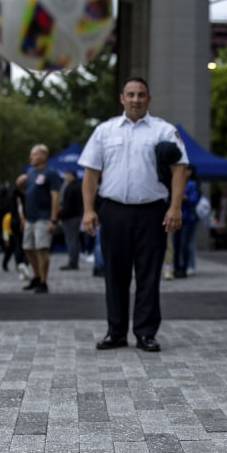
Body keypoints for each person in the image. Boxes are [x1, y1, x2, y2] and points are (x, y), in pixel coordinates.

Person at [80, 75, 188, 352]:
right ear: (122, 98)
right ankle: (116, 332)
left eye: (141, 94)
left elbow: (180, 170)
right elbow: (91, 173)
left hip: (152, 212)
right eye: (131, 94)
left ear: (148, 99)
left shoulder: (164, 131)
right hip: (113, 210)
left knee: (148, 275)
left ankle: (145, 333)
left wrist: (175, 207)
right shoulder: (105, 131)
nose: (136, 99)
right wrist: (89, 210)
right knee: (114, 274)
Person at [21, 144, 61, 294]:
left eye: (34, 154)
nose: (31, 157)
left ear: (43, 156)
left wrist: (53, 219)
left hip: (43, 217)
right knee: (28, 247)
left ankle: (43, 281)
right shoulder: (30, 172)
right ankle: (36, 276)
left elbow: (55, 196)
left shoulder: (51, 173)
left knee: (42, 248)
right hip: (30, 217)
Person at [173, 168, 201, 278]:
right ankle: (176, 267)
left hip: (187, 218)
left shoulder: (191, 184)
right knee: (176, 244)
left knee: (185, 244)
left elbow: (194, 200)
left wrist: (185, 198)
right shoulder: (177, 182)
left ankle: (184, 267)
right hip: (177, 217)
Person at [59, 170, 84, 270]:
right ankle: (73, 260)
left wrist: (61, 216)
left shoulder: (71, 188)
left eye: (66, 174)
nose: (65, 176)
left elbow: (68, 205)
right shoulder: (77, 186)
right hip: (74, 216)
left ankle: (73, 262)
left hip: (71, 217)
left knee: (71, 240)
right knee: (73, 240)